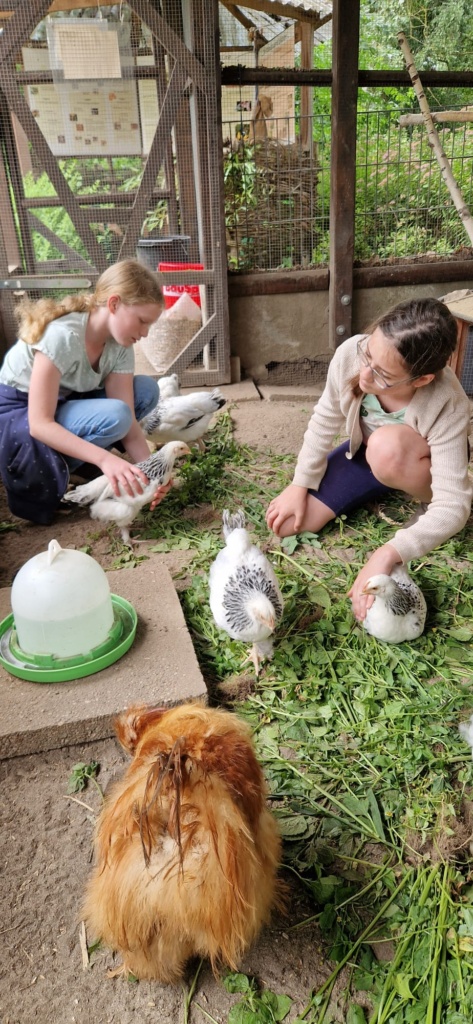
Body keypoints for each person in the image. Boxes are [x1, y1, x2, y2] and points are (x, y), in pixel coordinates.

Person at [266, 297, 472, 623]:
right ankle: (382, 483)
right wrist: (299, 484)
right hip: (368, 454)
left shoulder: (447, 401)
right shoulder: (351, 353)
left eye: (382, 374)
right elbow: (324, 420)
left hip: (417, 466)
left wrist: (390, 552)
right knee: (289, 525)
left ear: (422, 380)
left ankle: (411, 494)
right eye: (368, 355)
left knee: (385, 448)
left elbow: (454, 507)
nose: (364, 375)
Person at [0, 258, 168, 525]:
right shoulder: (62, 337)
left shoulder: (120, 345)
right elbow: (40, 425)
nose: (145, 333)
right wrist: (106, 460)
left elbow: (131, 427)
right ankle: (67, 469)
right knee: (117, 415)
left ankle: (78, 463)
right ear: (114, 304)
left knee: (145, 390)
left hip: (64, 402)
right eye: (141, 321)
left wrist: (154, 475)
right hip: (21, 414)